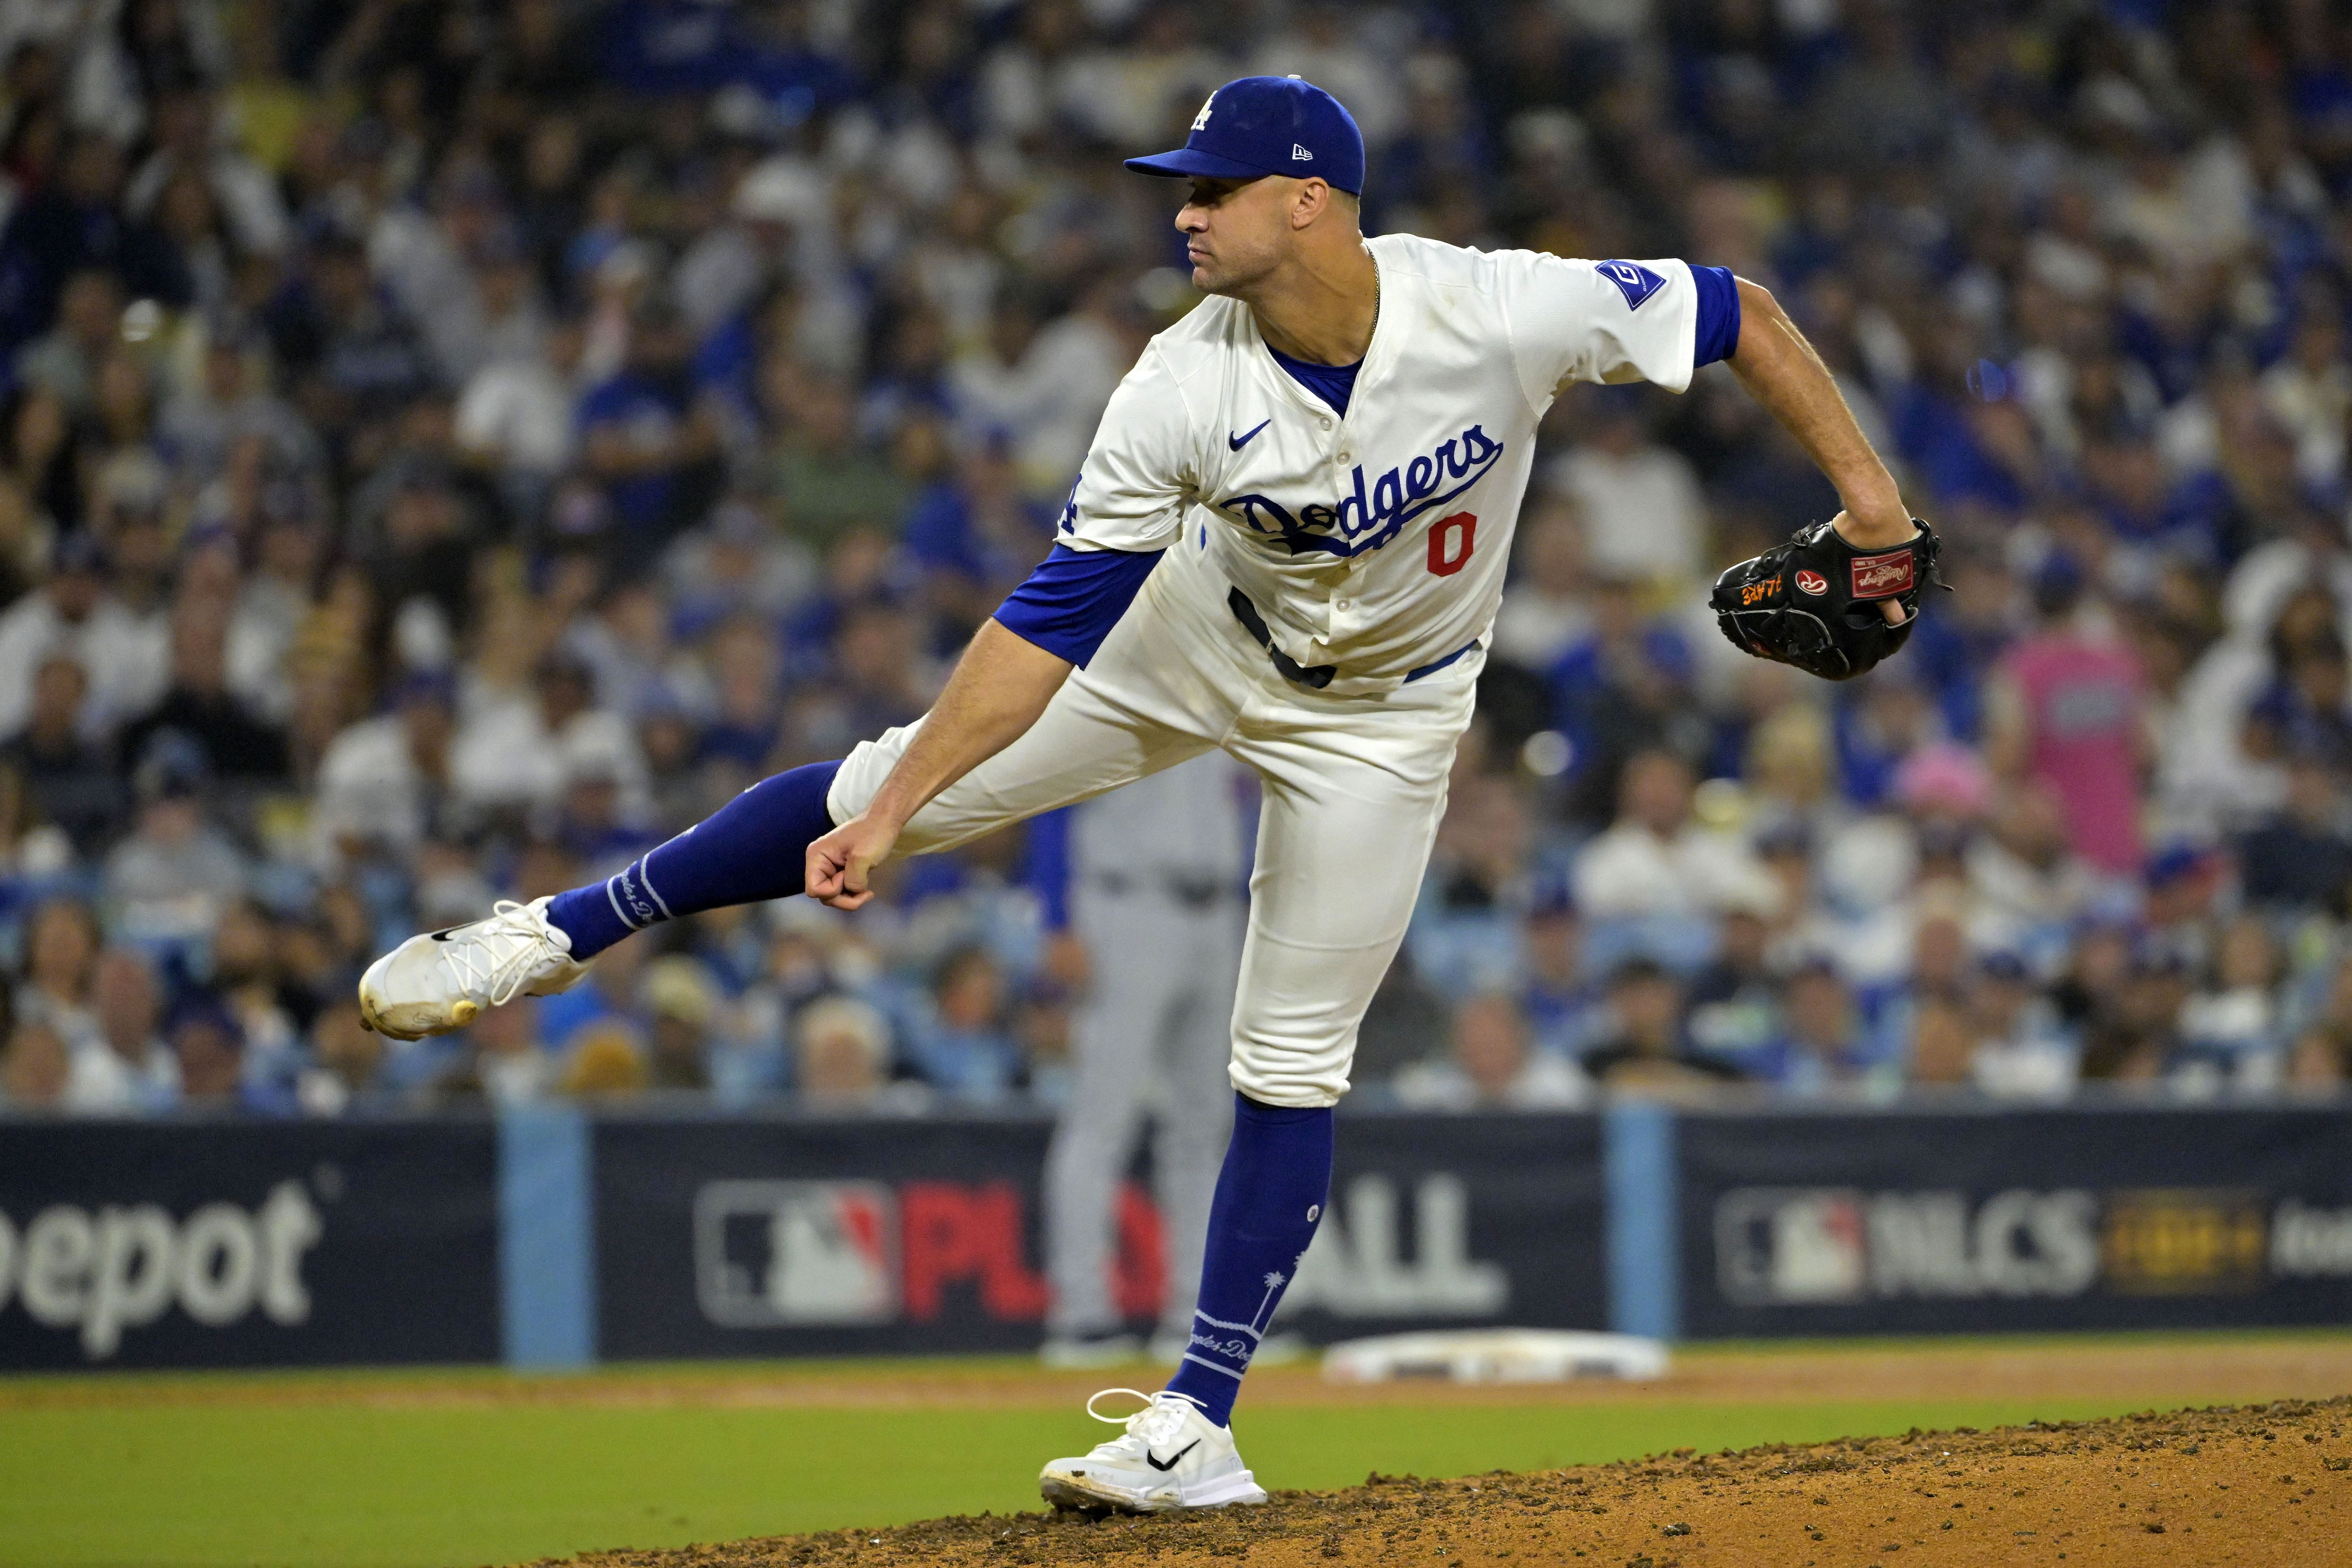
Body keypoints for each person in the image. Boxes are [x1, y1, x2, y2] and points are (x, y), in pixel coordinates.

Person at [354, 75, 1924, 1513]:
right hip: (1195, 635)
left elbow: (1735, 309)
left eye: (1214, 186)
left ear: (1308, 199)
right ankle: (546, 936)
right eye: (1184, 185)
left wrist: (1871, 505)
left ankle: (1198, 1422)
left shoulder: (1499, 308)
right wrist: (899, 812)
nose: (1183, 209)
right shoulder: (1178, 384)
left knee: (1291, 1057)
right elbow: (1045, 620)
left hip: (1387, 716)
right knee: (867, 773)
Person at [1038, 753, 1247, 1368]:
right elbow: (1049, 805)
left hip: (1219, 911)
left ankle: (1197, 1317)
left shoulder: (1234, 679)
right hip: (1127, 904)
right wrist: (1057, 919)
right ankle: (1082, 1316)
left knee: (1203, 1127)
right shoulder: (1110, 672)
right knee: (1103, 1116)